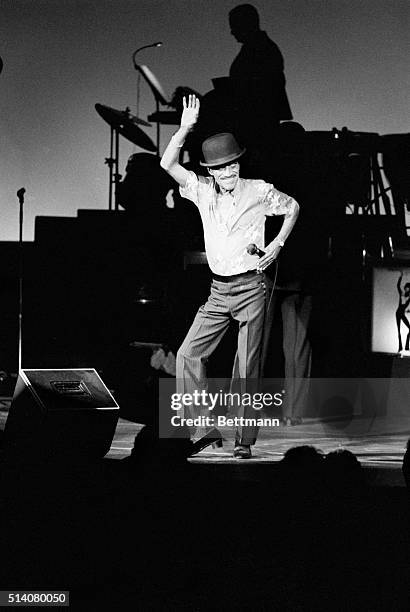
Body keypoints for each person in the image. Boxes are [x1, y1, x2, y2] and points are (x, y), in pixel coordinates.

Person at [160, 95, 299, 458]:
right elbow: (167, 163)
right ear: (211, 171)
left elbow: (293, 207)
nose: (229, 171)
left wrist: (278, 244)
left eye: (233, 164)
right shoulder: (202, 191)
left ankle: (244, 441)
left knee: (247, 367)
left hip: (252, 287)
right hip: (218, 291)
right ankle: (202, 429)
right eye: (221, 167)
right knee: (188, 355)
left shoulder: (258, 190)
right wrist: (185, 128)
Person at [396, 272, 410, 352]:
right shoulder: (401, 293)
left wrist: (408, 310)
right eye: (407, 288)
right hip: (398, 313)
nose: (407, 289)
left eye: (409, 288)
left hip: (402, 314)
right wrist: (400, 277)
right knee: (399, 330)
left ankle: (406, 346)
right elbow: (398, 286)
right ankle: (400, 347)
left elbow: (406, 306)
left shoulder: (409, 298)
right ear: (405, 288)